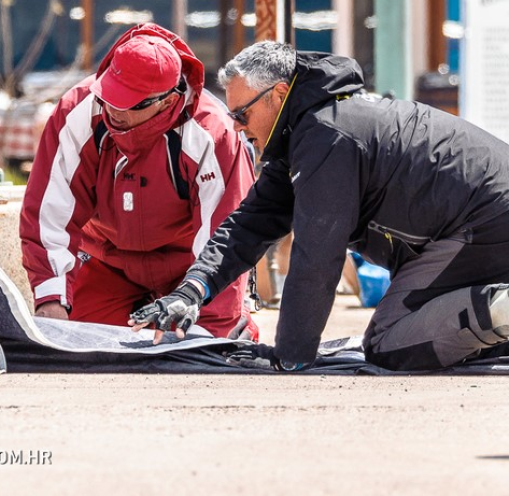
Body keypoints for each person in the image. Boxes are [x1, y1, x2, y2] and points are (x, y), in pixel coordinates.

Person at [132, 41, 509, 372]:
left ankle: (503, 308)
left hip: (487, 220)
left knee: (389, 342)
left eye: (240, 115)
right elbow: (252, 223)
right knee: (434, 331)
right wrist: (192, 291)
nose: (235, 127)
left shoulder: (327, 135)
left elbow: (317, 254)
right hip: (482, 218)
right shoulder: (310, 128)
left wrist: (290, 354)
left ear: (278, 95)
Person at [20, 23, 258, 340]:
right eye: (109, 97)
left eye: (129, 103)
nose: (114, 110)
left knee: (199, 342)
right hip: (105, 261)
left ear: (166, 100)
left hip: (187, 266)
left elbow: (224, 233)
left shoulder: (214, 134)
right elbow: (48, 212)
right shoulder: (76, 111)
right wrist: (51, 298)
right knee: (79, 340)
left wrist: (207, 317)